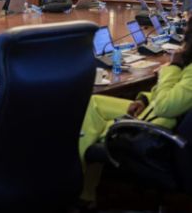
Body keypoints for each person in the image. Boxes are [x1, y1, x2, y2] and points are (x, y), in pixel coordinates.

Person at [78, 15, 192, 207]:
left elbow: (165, 106)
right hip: (155, 113)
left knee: (90, 127)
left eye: (186, 34)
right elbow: (176, 94)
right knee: (93, 103)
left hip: (156, 132)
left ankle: (78, 191)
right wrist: (144, 98)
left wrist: (172, 67)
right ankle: (85, 191)